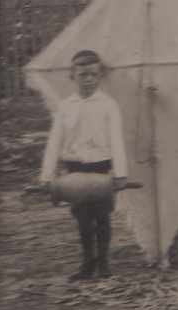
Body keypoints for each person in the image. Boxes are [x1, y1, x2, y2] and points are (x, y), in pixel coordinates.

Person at [39, 49, 128, 281]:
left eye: (93, 75)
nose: (88, 79)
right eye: (83, 75)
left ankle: (104, 264)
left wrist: (121, 173)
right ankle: (88, 263)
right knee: (82, 218)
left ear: (99, 77)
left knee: (102, 216)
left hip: (100, 168)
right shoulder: (65, 106)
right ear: (72, 76)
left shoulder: (109, 105)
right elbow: (54, 141)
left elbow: (117, 140)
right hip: (75, 170)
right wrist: (47, 176)